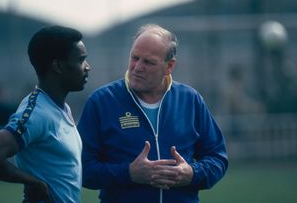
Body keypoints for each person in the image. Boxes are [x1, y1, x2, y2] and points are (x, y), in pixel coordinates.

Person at [77, 24, 228, 203]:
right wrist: (128, 173)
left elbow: (217, 158)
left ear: (169, 66)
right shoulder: (101, 101)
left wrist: (192, 173)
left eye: (148, 62)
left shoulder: (190, 100)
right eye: (135, 58)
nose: (137, 67)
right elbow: (82, 168)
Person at [0, 25, 90, 202]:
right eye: (80, 60)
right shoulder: (37, 113)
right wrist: (32, 182)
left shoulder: (61, 107)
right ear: (58, 66)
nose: (87, 67)